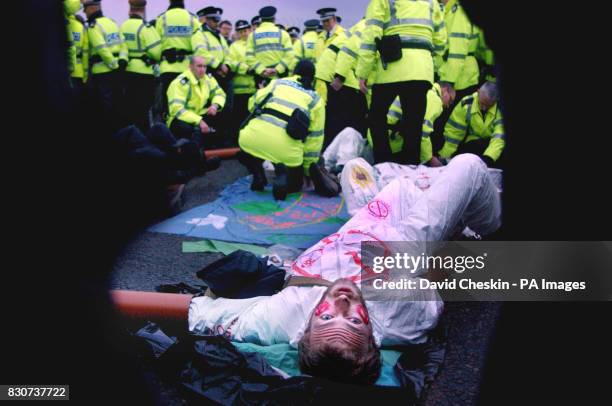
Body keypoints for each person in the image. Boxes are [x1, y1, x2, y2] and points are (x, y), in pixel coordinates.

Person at [189, 153, 501, 385]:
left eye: (326, 317)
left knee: (354, 166)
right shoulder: (398, 315)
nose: (341, 301)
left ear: (303, 332)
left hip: (364, 222)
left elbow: (201, 315)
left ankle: (400, 188)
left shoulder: (281, 318)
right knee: (470, 166)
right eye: (353, 320)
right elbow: (440, 278)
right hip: (403, 239)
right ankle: (489, 223)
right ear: (373, 336)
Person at [356, 0, 447, 165]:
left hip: (392, 69)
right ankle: (410, 167)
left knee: (376, 116)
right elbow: (441, 40)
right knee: (414, 122)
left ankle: (384, 164)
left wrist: (363, 72)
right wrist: (435, 68)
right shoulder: (431, 2)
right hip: (421, 70)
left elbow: (371, 35)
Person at [237, 60, 325, 200]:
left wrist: (262, 92)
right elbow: (314, 140)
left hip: (251, 140)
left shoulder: (277, 83)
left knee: (251, 148)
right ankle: (284, 181)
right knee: (295, 184)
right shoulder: (316, 99)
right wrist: (307, 171)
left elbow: (251, 105)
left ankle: (258, 175)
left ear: (293, 73)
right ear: (313, 79)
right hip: (287, 153)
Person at [432, 0, 484, 151]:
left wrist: (448, 83)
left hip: (459, 79)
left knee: (449, 125)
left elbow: (457, 50)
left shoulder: (459, 11)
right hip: (454, 74)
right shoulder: (448, 10)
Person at [166, 55, 225, 167]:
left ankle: (207, 151)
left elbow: (220, 93)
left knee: (223, 117)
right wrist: (199, 121)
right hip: (179, 119)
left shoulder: (207, 78)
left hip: (199, 115)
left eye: (204, 66)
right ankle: (199, 162)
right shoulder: (180, 83)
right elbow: (177, 110)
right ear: (190, 67)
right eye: (199, 66)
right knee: (190, 129)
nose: (202, 69)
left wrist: (215, 106)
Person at [437, 81, 505, 167]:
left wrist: (488, 158)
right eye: (482, 104)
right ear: (478, 91)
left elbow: (499, 138)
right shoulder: (466, 103)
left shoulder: (501, 108)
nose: (484, 108)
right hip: (473, 144)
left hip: (493, 148)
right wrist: (445, 157)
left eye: (488, 105)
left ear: (496, 101)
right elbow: (453, 134)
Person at [83, 0, 127, 129]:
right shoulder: (112, 23)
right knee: (118, 104)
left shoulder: (93, 27)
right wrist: (122, 62)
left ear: (91, 8)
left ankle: (109, 133)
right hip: (118, 71)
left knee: (105, 106)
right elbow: (123, 44)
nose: (85, 13)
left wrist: (113, 66)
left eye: (85, 9)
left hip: (102, 72)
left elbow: (102, 49)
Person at [120, 0, 161, 132]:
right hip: (144, 73)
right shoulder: (145, 27)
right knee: (143, 109)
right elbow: (156, 53)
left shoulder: (123, 26)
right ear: (143, 9)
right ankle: (143, 137)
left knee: (129, 108)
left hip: (128, 71)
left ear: (130, 8)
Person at [155, 0, 202, 110]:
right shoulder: (192, 19)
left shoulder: (162, 18)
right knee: (187, 104)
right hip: (187, 69)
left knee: (168, 104)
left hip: (167, 68)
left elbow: (156, 44)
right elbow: (199, 45)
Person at [245, 6, 294, 88]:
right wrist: (277, 69)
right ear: (274, 19)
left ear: (261, 20)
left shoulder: (252, 35)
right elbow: (290, 55)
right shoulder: (283, 34)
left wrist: (262, 70)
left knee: (262, 100)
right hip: (280, 77)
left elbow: (249, 57)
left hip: (261, 77)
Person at [228, 20, 256, 144]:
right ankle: (237, 141)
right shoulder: (234, 46)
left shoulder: (256, 44)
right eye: (241, 31)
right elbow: (231, 63)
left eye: (246, 30)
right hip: (239, 90)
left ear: (250, 30)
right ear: (237, 33)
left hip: (255, 89)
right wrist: (246, 69)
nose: (244, 33)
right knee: (238, 118)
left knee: (253, 118)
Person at [64, 0, 89, 106]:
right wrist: (86, 75)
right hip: (79, 73)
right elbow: (85, 53)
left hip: (63, 72)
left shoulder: (59, 25)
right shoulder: (80, 27)